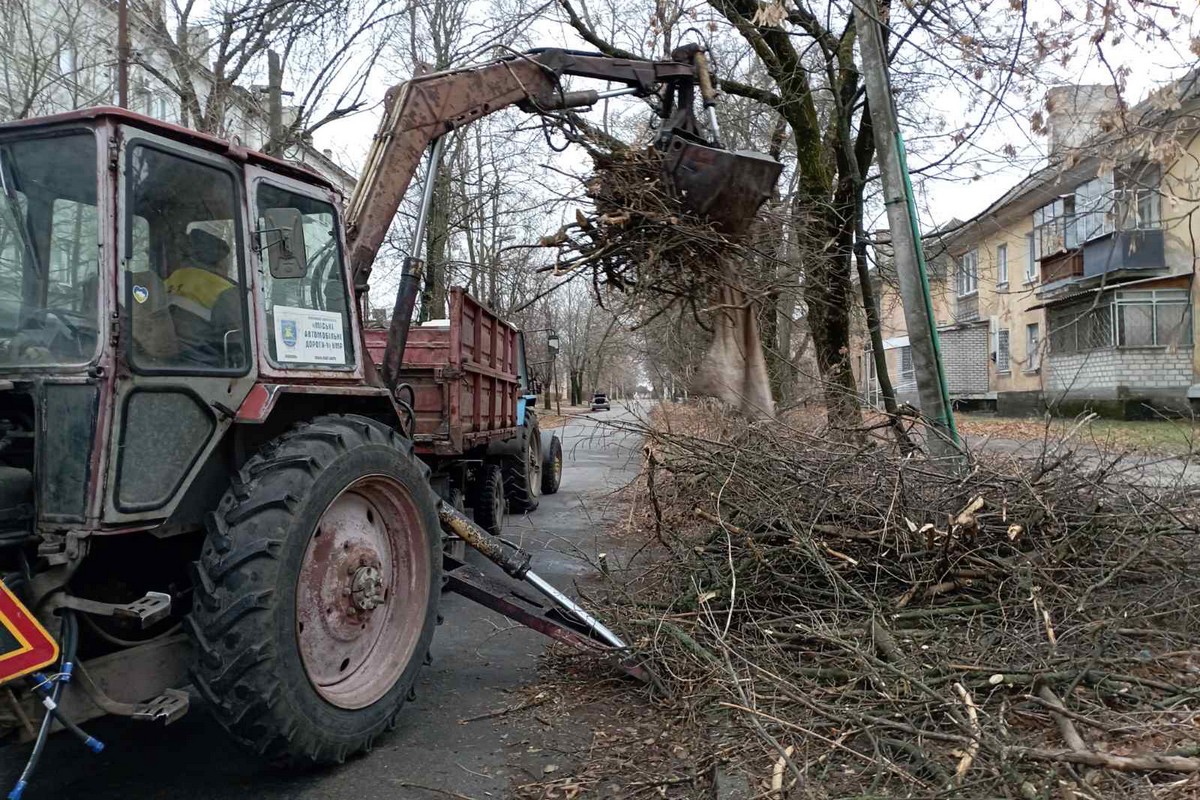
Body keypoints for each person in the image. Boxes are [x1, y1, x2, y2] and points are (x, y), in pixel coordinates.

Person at [164, 228, 241, 367]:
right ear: (219, 262)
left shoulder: (172, 279)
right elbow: (240, 341)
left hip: (167, 361)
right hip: (205, 365)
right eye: (226, 261)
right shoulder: (224, 290)